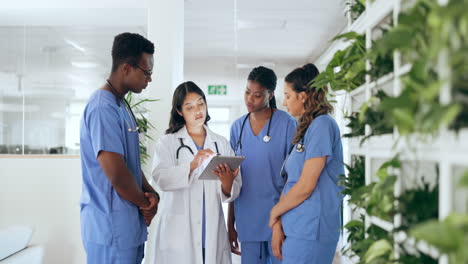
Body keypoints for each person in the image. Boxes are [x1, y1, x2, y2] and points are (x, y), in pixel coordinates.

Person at [79, 32, 159, 264]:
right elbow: (116, 173)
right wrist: (145, 204)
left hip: (126, 228)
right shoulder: (102, 108)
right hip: (109, 228)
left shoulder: (120, 105)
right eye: (147, 72)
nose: (149, 79)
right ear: (126, 68)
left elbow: (129, 164)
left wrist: (151, 193)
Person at [151, 81, 242, 264]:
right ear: (179, 111)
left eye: (201, 103)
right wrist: (191, 166)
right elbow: (160, 178)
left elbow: (235, 187)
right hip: (180, 233)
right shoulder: (168, 142)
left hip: (211, 230)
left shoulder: (221, 143)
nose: (198, 110)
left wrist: (227, 183)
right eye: (189, 107)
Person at [268, 63, 344, 264]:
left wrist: (275, 213)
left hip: (312, 230)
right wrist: (278, 223)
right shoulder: (307, 129)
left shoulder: (323, 125)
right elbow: (291, 181)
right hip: (297, 227)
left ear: (303, 96)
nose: (284, 102)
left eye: (287, 95)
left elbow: (306, 186)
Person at [228, 66, 297, 264]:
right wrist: (230, 223)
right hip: (247, 220)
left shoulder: (287, 124)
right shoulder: (237, 128)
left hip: (279, 219)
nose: (250, 99)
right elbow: (233, 181)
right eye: (247, 92)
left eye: (257, 95)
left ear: (270, 94)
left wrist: (286, 219)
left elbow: (294, 176)